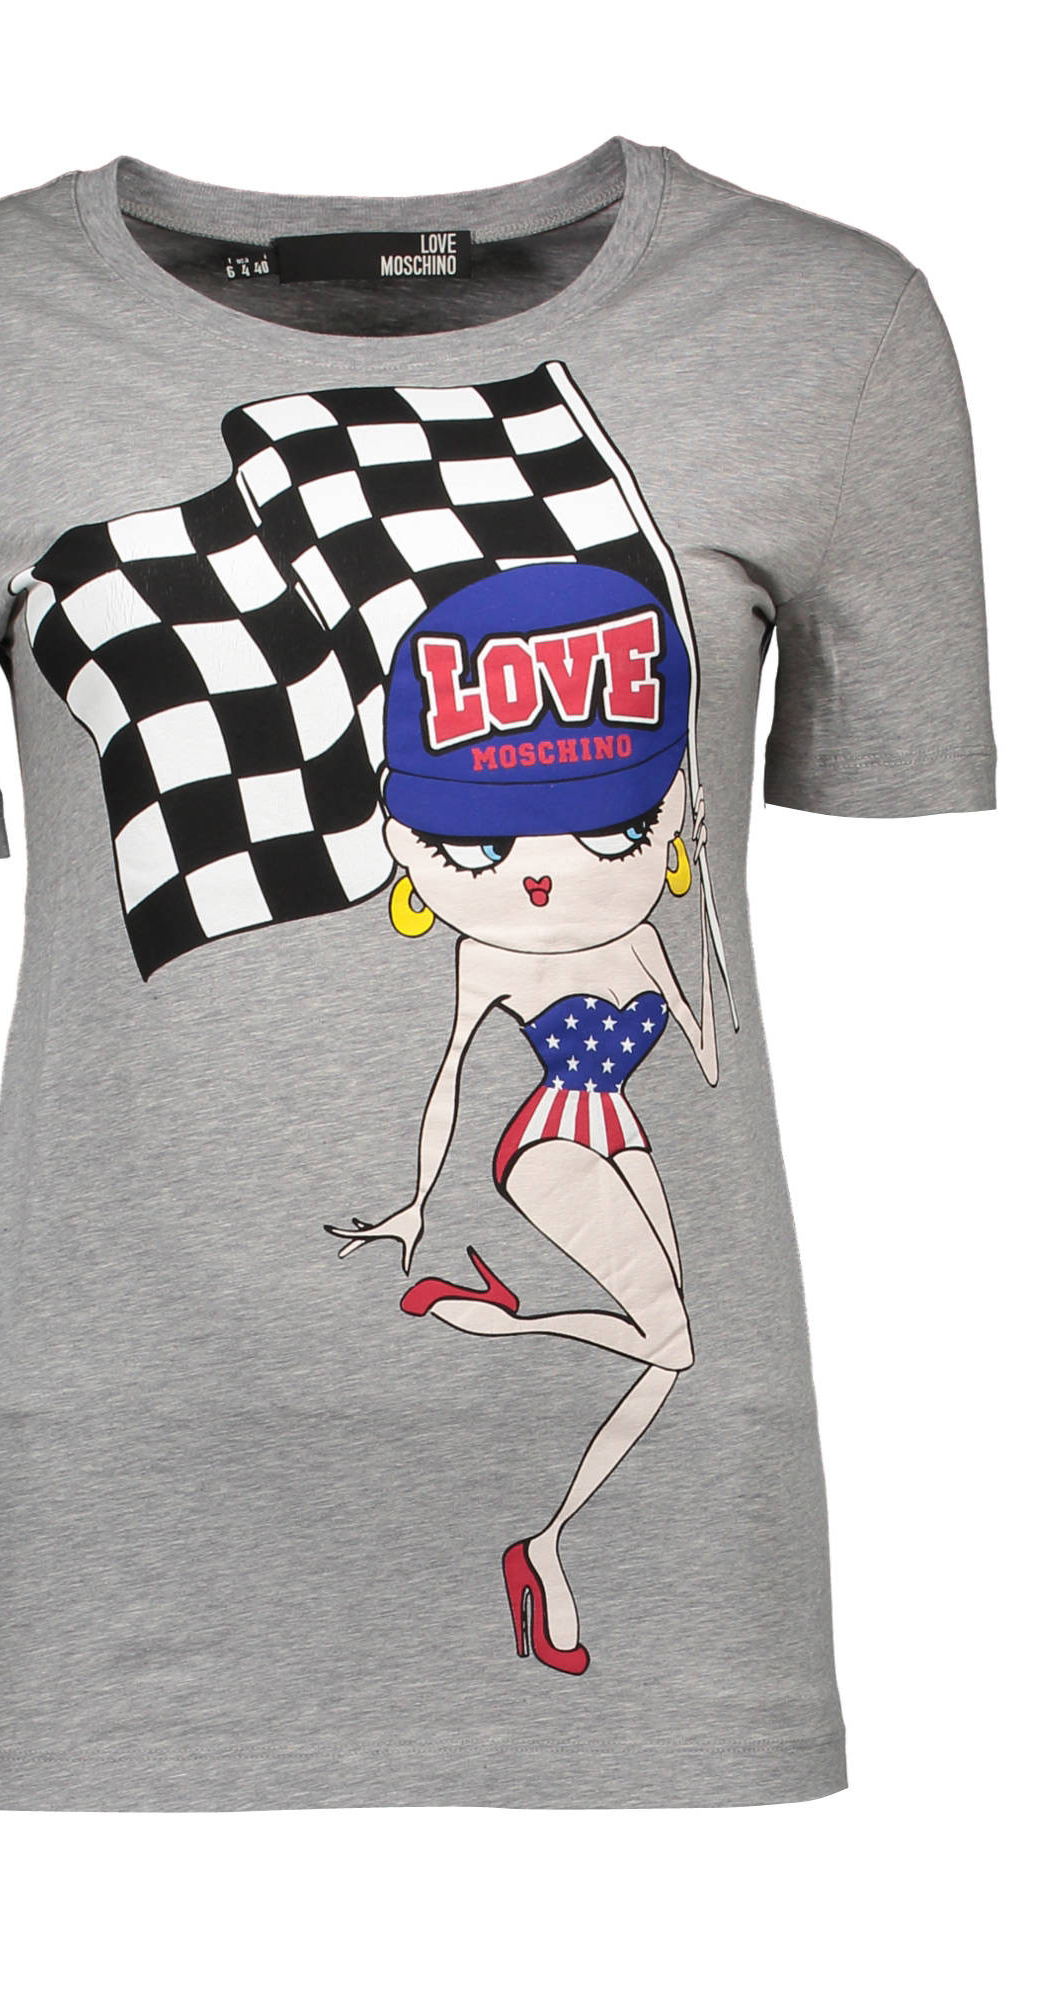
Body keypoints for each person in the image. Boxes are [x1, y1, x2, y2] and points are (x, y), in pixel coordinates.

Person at [329, 560, 718, 1675]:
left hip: (623, 1132)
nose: (542, 877)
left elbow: (701, 1041)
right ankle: (534, 1508)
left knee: (671, 1348)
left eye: (610, 834)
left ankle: (536, 1507)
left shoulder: (639, 928)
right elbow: (451, 1075)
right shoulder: (487, 954)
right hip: (545, 1144)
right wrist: (415, 1202)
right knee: (667, 1341)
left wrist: (704, 946)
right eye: (481, 851)